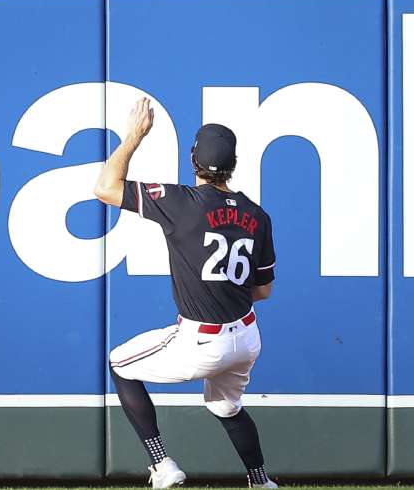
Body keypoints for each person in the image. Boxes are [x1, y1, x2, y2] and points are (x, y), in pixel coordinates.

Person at [94, 97, 278, 489]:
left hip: (200, 340)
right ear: (233, 165)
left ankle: (162, 465)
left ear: (193, 160)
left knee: (119, 364)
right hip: (246, 336)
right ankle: (260, 481)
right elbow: (262, 289)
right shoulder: (258, 216)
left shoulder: (182, 202)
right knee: (227, 407)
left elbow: (106, 187)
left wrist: (133, 135)